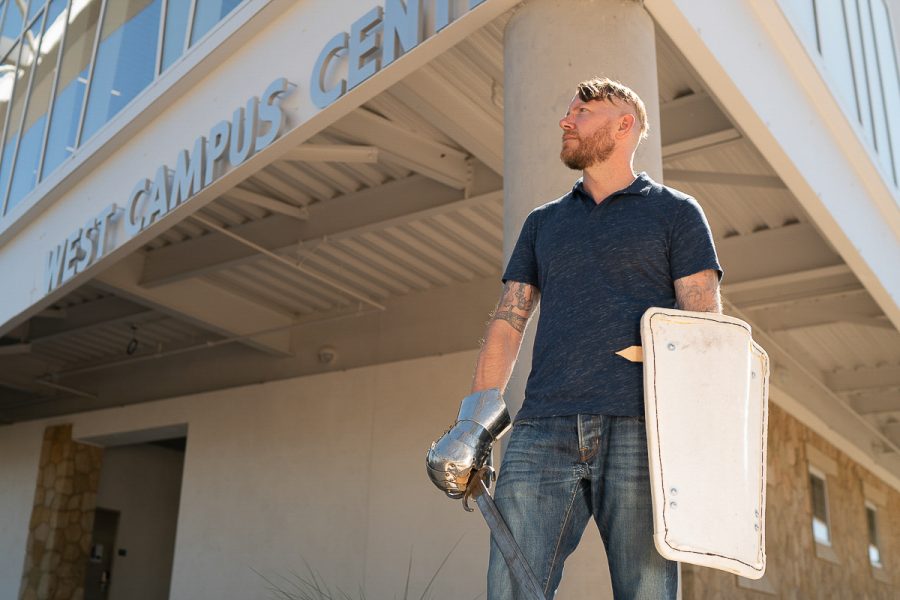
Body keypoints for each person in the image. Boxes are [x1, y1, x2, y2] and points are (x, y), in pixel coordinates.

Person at [427, 77, 722, 599]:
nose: (567, 121)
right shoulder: (544, 223)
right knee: (512, 589)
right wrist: (473, 423)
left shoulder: (677, 212)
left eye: (583, 111)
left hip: (642, 432)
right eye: (568, 113)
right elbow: (509, 319)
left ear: (625, 124)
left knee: (648, 592)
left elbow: (703, 330)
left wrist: (696, 443)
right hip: (543, 429)